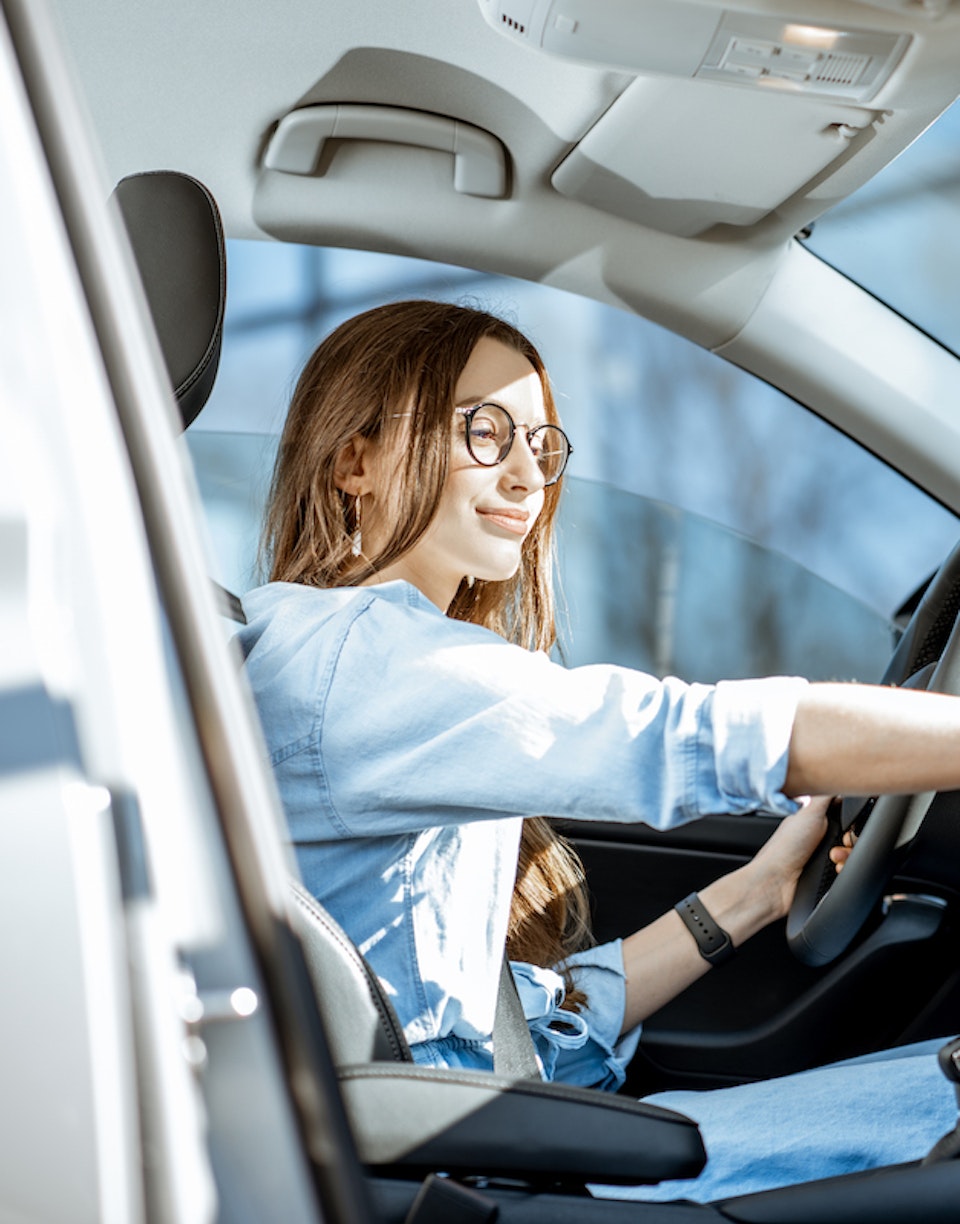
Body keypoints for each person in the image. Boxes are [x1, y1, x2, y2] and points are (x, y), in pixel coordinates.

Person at [239, 299, 960, 1202]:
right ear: (357, 460)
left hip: (488, 1155)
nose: (525, 476)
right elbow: (683, 735)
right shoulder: (362, 658)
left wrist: (756, 894)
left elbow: (515, 1035)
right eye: (485, 431)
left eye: (541, 446)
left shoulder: (365, 660)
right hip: (473, 1178)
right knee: (934, 1104)